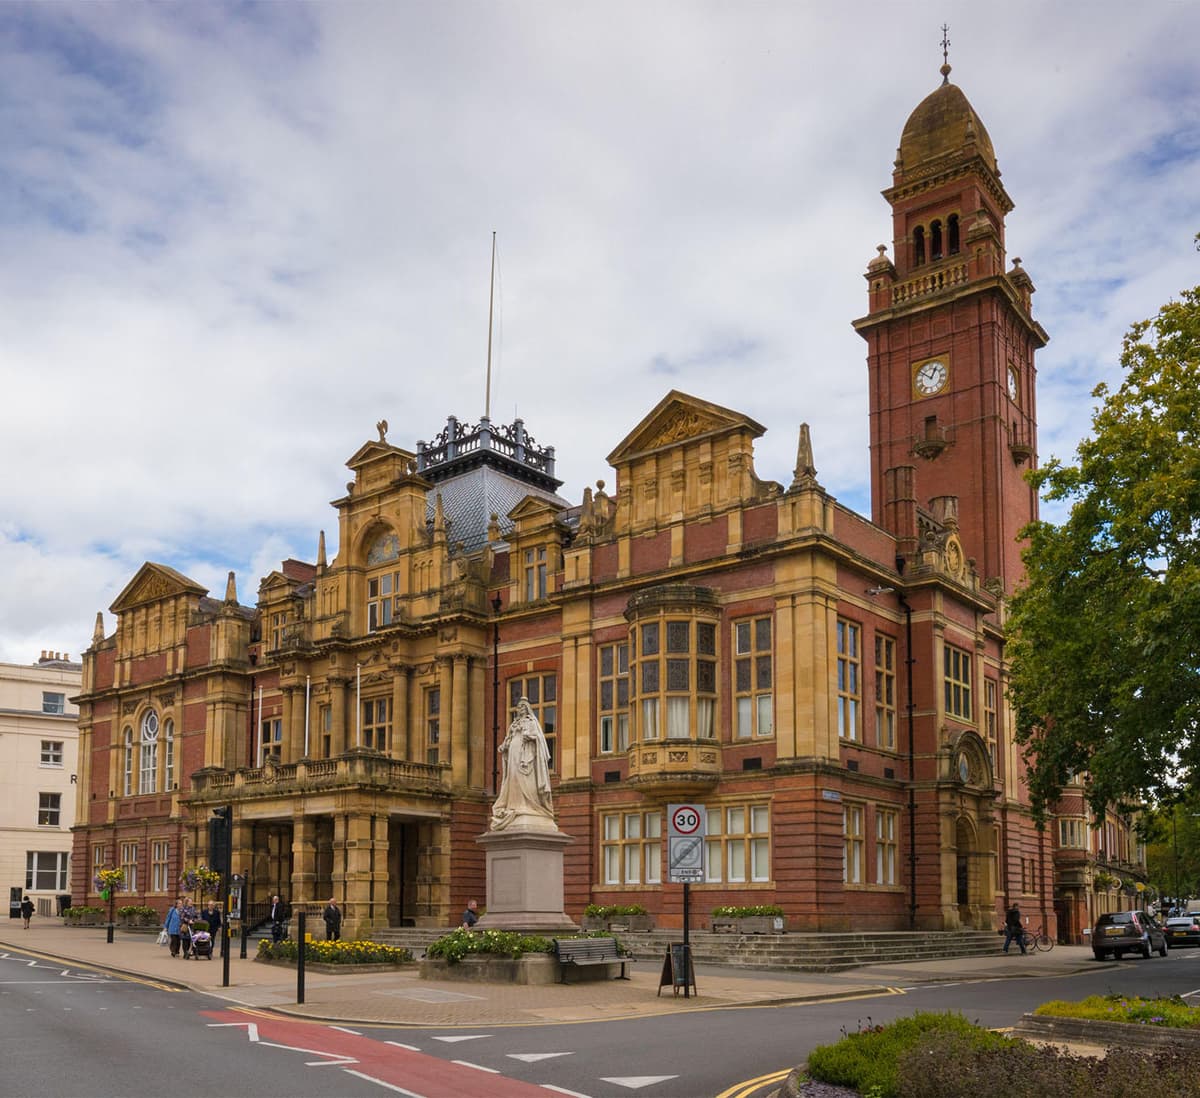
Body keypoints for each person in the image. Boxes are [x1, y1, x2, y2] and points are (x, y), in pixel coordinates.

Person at [489, 697, 555, 831]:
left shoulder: (532, 722)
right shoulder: (513, 724)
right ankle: (516, 804)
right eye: (518, 707)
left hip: (526, 755)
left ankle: (529, 804)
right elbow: (508, 739)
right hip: (513, 752)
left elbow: (539, 739)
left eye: (522, 707)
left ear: (527, 709)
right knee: (513, 778)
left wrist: (530, 737)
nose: (520, 709)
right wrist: (504, 747)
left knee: (525, 778)